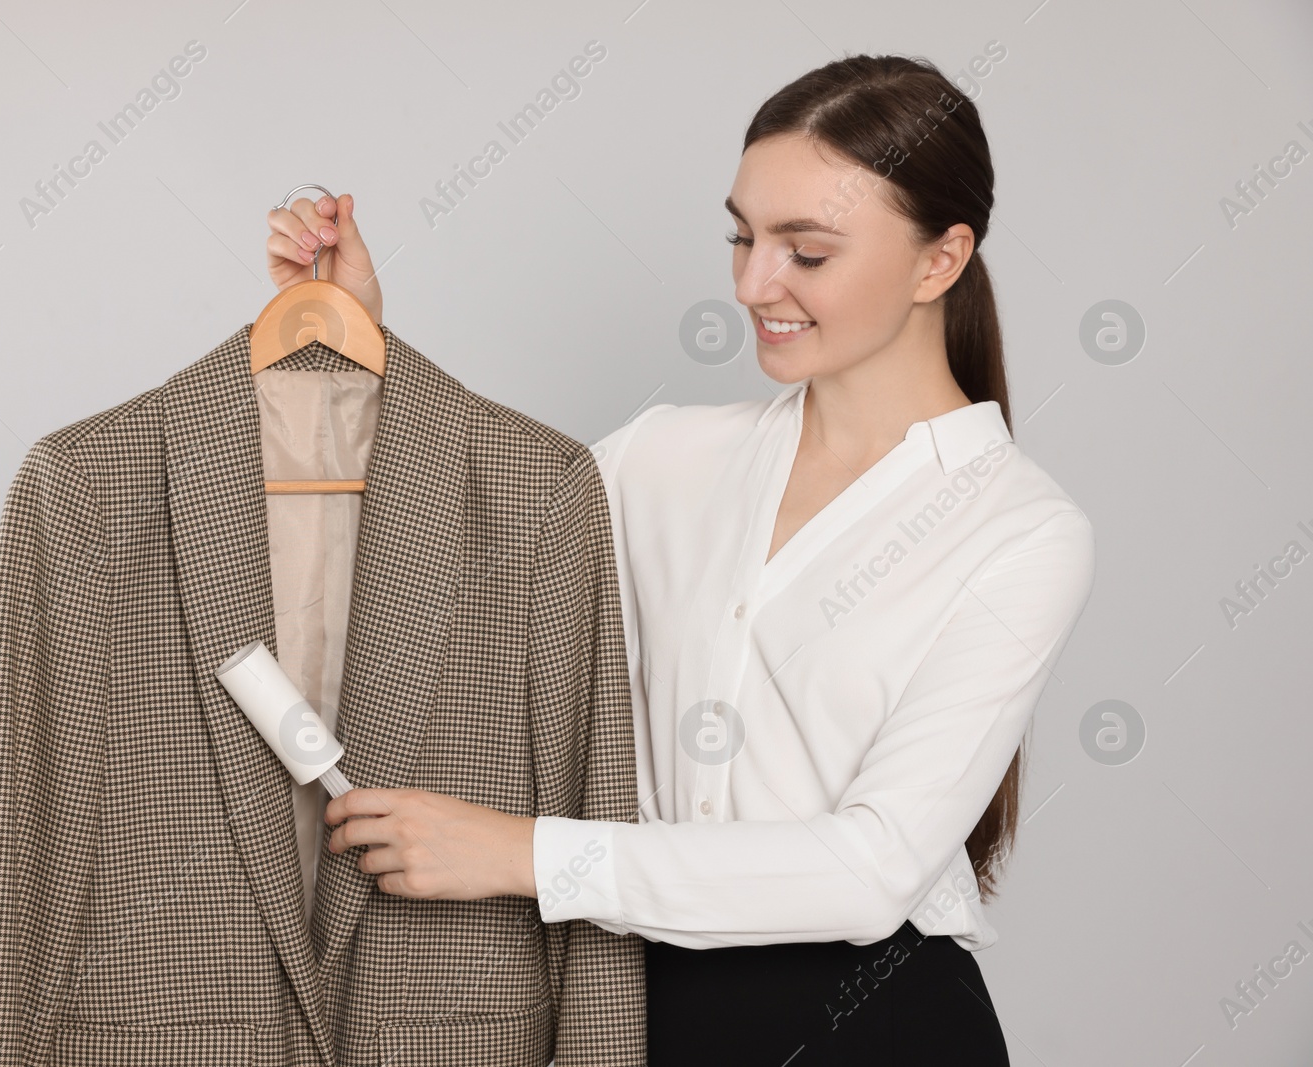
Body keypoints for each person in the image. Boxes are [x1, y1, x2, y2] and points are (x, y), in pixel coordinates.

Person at [269, 54, 1094, 1066]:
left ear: (940, 259)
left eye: (808, 251)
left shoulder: (1019, 527)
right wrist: (351, 334)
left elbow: (872, 866)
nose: (754, 284)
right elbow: (459, 549)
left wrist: (521, 852)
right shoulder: (664, 455)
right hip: (628, 1009)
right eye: (742, 237)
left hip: (872, 1023)